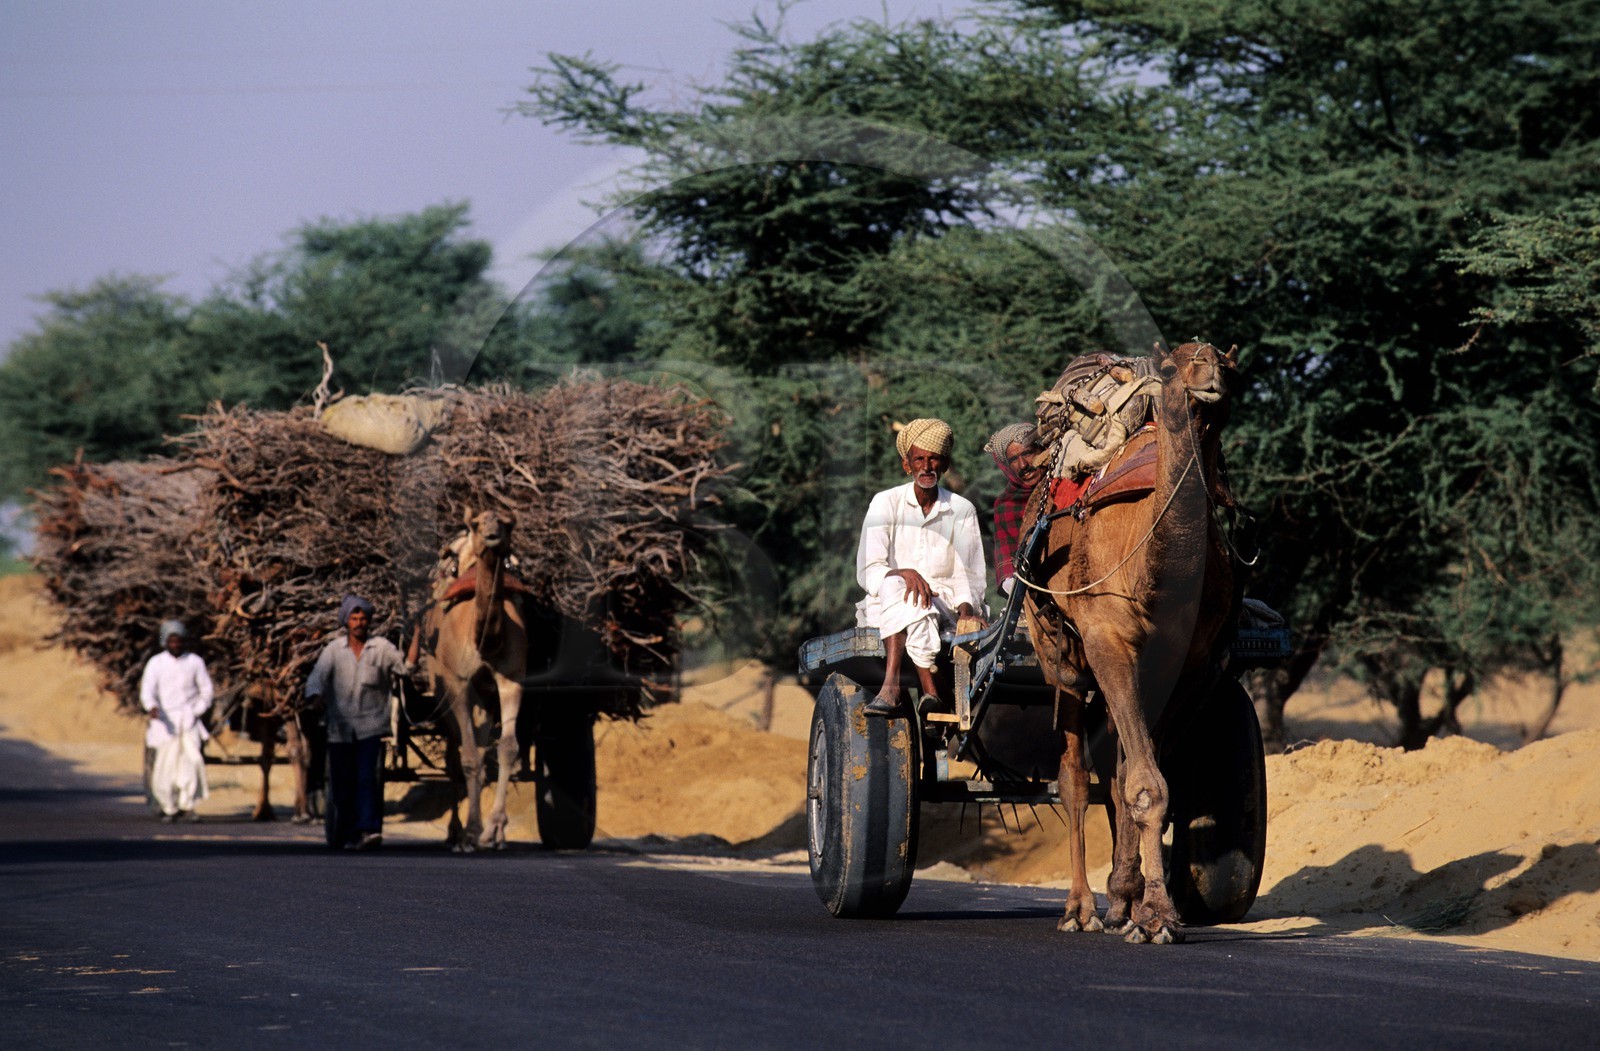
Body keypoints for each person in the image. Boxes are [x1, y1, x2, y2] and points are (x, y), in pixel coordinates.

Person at [855, 418, 987, 717]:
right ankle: (927, 688)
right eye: (919, 459)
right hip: (889, 604)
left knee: (920, 603)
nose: (926, 467)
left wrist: (967, 607)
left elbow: (971, 573)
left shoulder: (962, 509)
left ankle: (894, 690)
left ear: (945, 465)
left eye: (933, 459)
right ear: (907, 465)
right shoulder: (884, 502)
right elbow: (868, 569)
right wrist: (905, 573)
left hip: (945, 605)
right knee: (895, 585)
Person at [304, 594, 407, 850]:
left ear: (369, 621)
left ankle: (368, 829)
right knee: (341, 782)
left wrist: (415, 643)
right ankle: (347, 831)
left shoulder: (381, 648)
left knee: (366, 778)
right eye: (354, 618)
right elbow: (317, 676)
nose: (359, 623)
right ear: (346, 622)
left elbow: (405, 667)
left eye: (363, 618)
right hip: (340, 729)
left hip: (371, 727)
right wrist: (315, 696)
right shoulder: (333, 650)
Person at [139, 619, 214, 823]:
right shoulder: (156, 663)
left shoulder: (195, 662)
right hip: (165, 722)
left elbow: (206, 691)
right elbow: (147, 691)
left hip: (188, 719)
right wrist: (152, 708)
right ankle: (168, 806)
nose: (175, 645)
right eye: (171, 641)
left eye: (178, 641)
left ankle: (187, 804)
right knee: (166, 764)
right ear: (165, 642)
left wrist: (196, 710)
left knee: (192, 761)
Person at [984, 423, 1046, 596]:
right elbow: (1007, 569)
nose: (1023, 465)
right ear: (1006, 467)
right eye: (1013, 460)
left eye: (1028, 453)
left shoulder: (1066, 486)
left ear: (1043, 451)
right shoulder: (1006, 506)